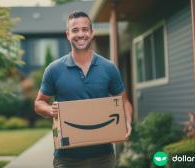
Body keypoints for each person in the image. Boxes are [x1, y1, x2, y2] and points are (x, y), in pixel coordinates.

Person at [34, 11, 133, 168]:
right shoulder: (54, 69)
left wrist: (127, 122)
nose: (81, 34)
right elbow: (39, 103)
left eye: (85, 29)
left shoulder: (109, 68)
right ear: (68, 35)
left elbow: (124, 101)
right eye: (75, 30)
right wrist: (50, 110)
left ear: (91, 33)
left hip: (103, 157)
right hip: (67, 158)